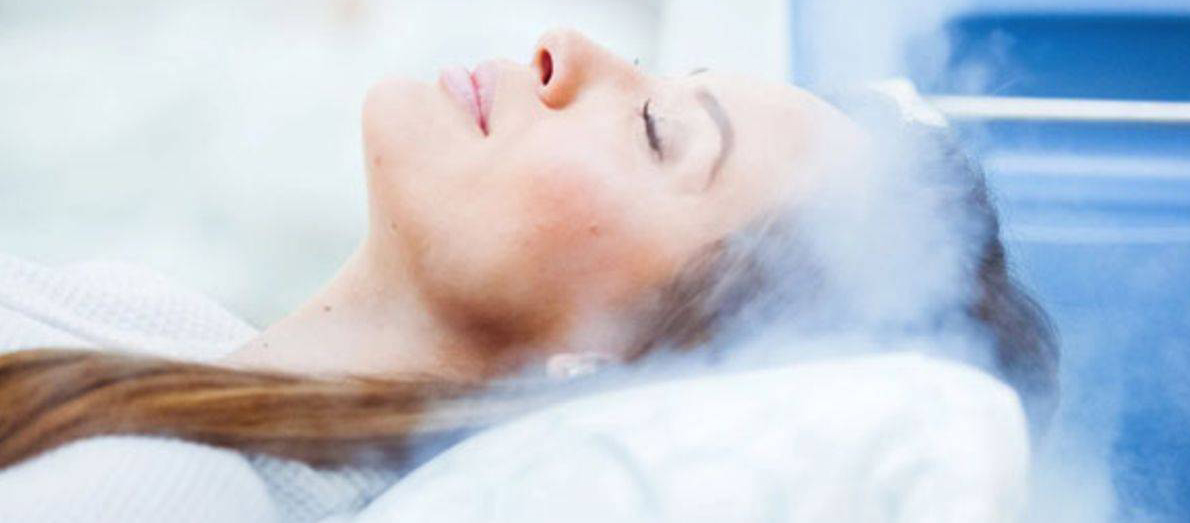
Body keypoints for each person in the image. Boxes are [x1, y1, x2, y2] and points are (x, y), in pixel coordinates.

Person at [0, 28, 1056, 518]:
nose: (568, 50)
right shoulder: (152, 322)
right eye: (660, 76)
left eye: (655, 130)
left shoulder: (153, 494)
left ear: (630, 371)